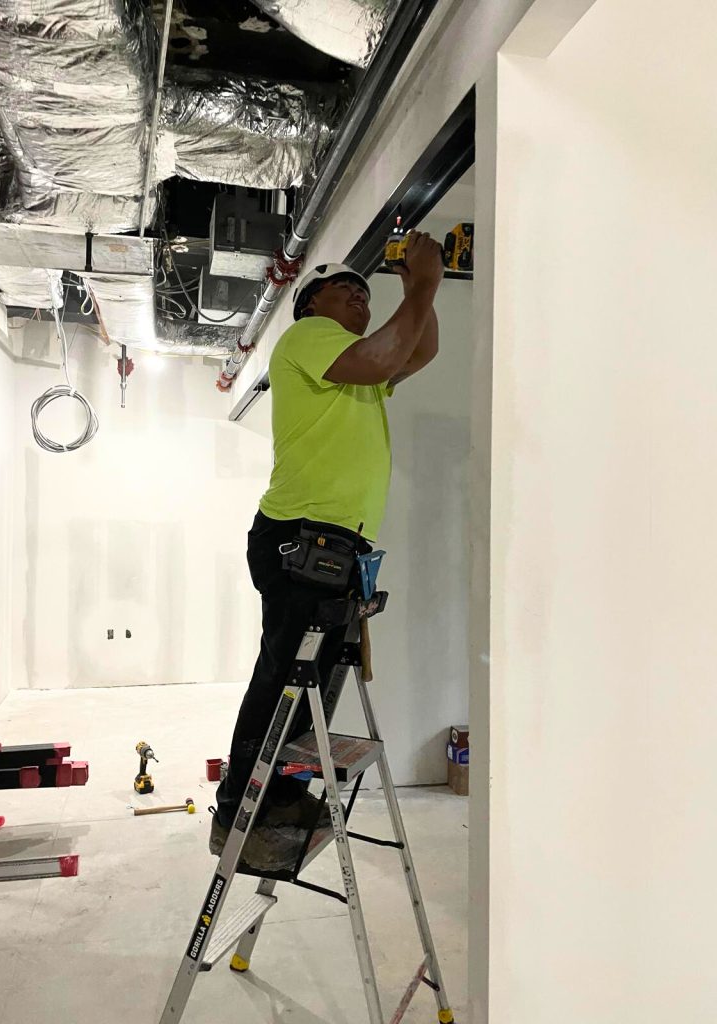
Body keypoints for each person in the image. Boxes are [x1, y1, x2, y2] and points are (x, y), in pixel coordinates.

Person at [210, 230, 445, 869]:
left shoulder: (357, 363)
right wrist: (420, 283)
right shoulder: (310, 339)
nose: (361, 300)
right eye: (348, 291)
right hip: (300, 538)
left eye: (366, 295)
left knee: (310, 683)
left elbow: (417, 350)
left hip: (335, 544)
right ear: (312, 303)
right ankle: (239, 811)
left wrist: (420, 290)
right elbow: (386, 354)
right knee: (283, 675)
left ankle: (282, 802)